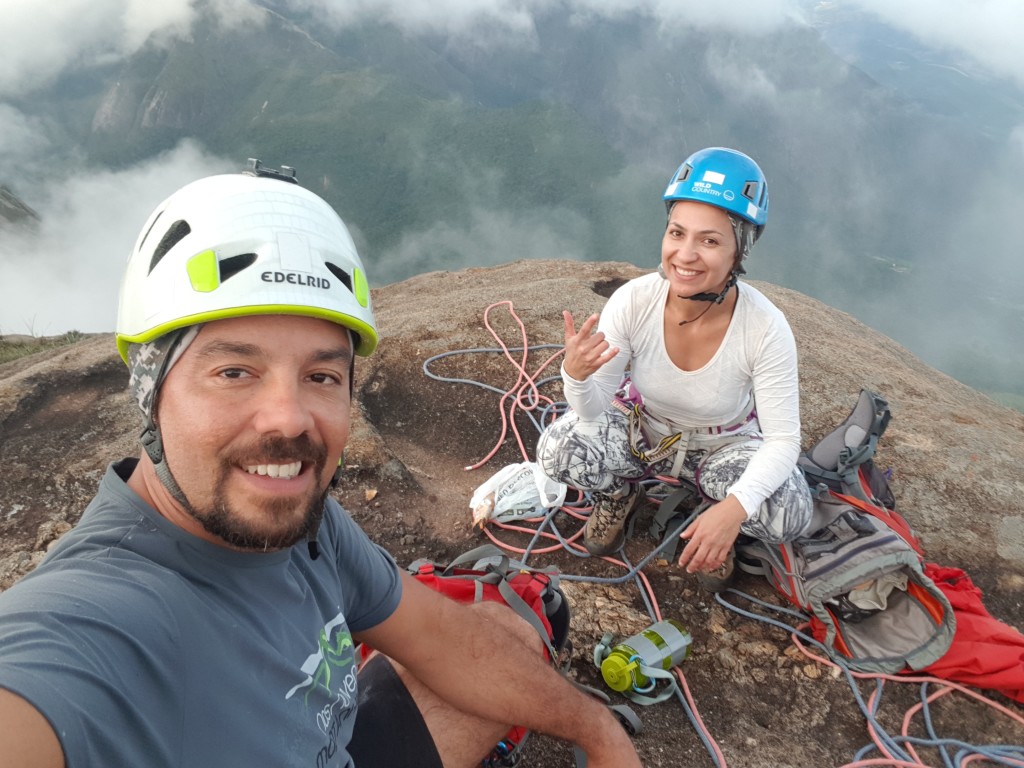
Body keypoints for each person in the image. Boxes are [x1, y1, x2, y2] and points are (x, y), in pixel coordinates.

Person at [0, 161, 641, 768]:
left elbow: (437, 637)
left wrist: (599, 732)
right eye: (234, 371)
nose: (289, 420)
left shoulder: (313, 530)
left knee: (509, 630)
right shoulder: (97, 624)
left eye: (321, 375)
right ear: (152, 391)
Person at [536, 147, 814, 588]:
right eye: (676, 233)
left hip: (723, 445)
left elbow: (783, 440)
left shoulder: (764, 327)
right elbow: (592, 411)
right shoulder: (635, 301)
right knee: (559, 449)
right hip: (646, 432)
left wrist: (734, 509)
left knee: (789, 510)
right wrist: (576, 375)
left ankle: (715, 519)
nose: (685, 255)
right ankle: (619, 494)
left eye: (709, 241)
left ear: (739, 250)